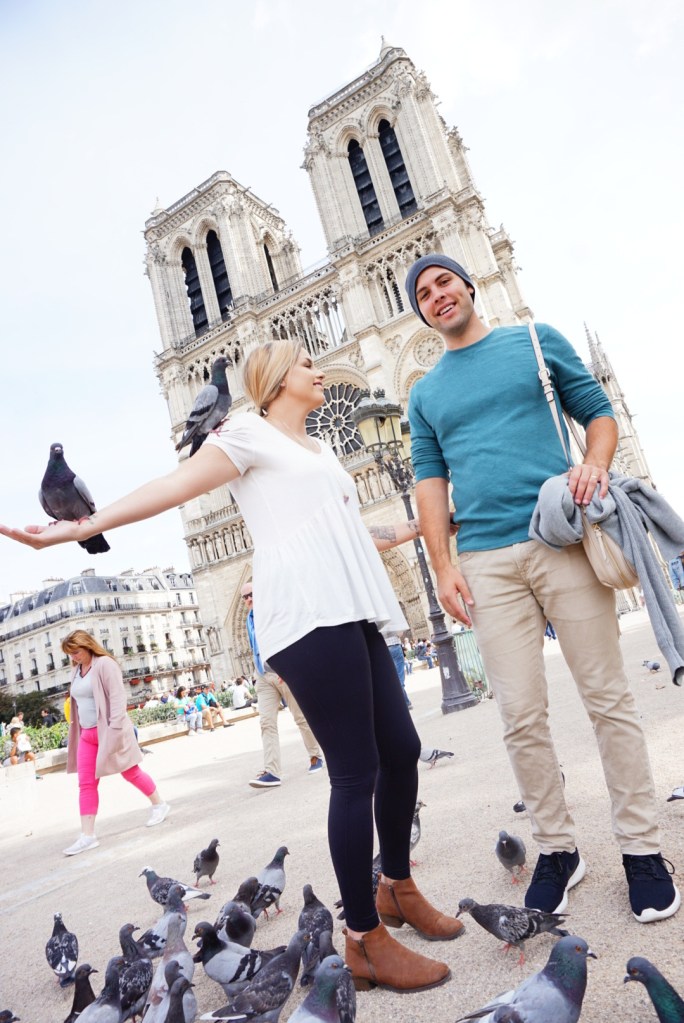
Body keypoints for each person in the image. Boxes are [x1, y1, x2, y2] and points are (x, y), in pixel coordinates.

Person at [0, 338, 462, 991]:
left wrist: (414, 529)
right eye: (306, 364)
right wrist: (82, 526)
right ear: (275, 379)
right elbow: (173, 485)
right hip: (305, 613)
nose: (318, 369)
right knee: (356, 771)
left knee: (403, 748)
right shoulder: (246, 432)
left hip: (352, 604)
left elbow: (347, 530)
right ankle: (363, 936)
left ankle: (396, 886)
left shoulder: (321, 449)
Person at [404, 251, 680, 925]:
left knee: (607, 698)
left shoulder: (534, 340)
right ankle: (559, 848)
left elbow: (598, 413)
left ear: (469, 286)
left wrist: (594, 463)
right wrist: (442, 564)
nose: (437, 294)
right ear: (421, 313)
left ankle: (642, 848)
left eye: (444, 281)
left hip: (561, 539)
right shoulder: (424, 393)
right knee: (520, 716)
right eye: (423, 293)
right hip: (485, 560)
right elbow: (430, 481)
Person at [59, 630, 170, 855]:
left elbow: (118, 699)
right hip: (86, 735)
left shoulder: (105, 664)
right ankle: (87, 835)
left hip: (109, 731)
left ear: (87, 646)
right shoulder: (76, 670)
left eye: (76, 652)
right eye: (70, 654)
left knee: (130, 772)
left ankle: (159, 804)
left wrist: (115, 732)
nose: (74, 657)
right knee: (86, 783)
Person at [241, 581, 324, 787]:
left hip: (283, 673)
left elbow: (289, 638)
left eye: (252, 594)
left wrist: (288, 667)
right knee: (266, 723)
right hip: (263, 676)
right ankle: (272, 771)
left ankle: (315, 756)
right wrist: (257, 672)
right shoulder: (249, 619)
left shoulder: (273, 611)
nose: (249, 599)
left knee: (300, 717)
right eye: (245, 597)